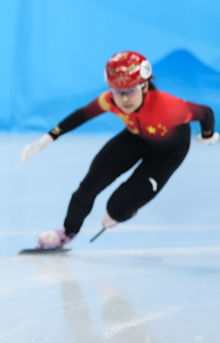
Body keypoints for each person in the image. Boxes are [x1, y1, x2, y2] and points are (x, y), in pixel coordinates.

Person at [21, 50, 217, 249]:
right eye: (117, 92)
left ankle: (124, 210)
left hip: (168, 151)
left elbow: (206, 113)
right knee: (88, 187)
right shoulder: (109, 100)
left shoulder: (169, 107)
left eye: (130, 91)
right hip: (136, 137)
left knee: (116, 208)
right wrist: (48, 138)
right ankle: (67, 232)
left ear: (145, 85)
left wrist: (207, 134)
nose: (123, 100)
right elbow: (81, 115)